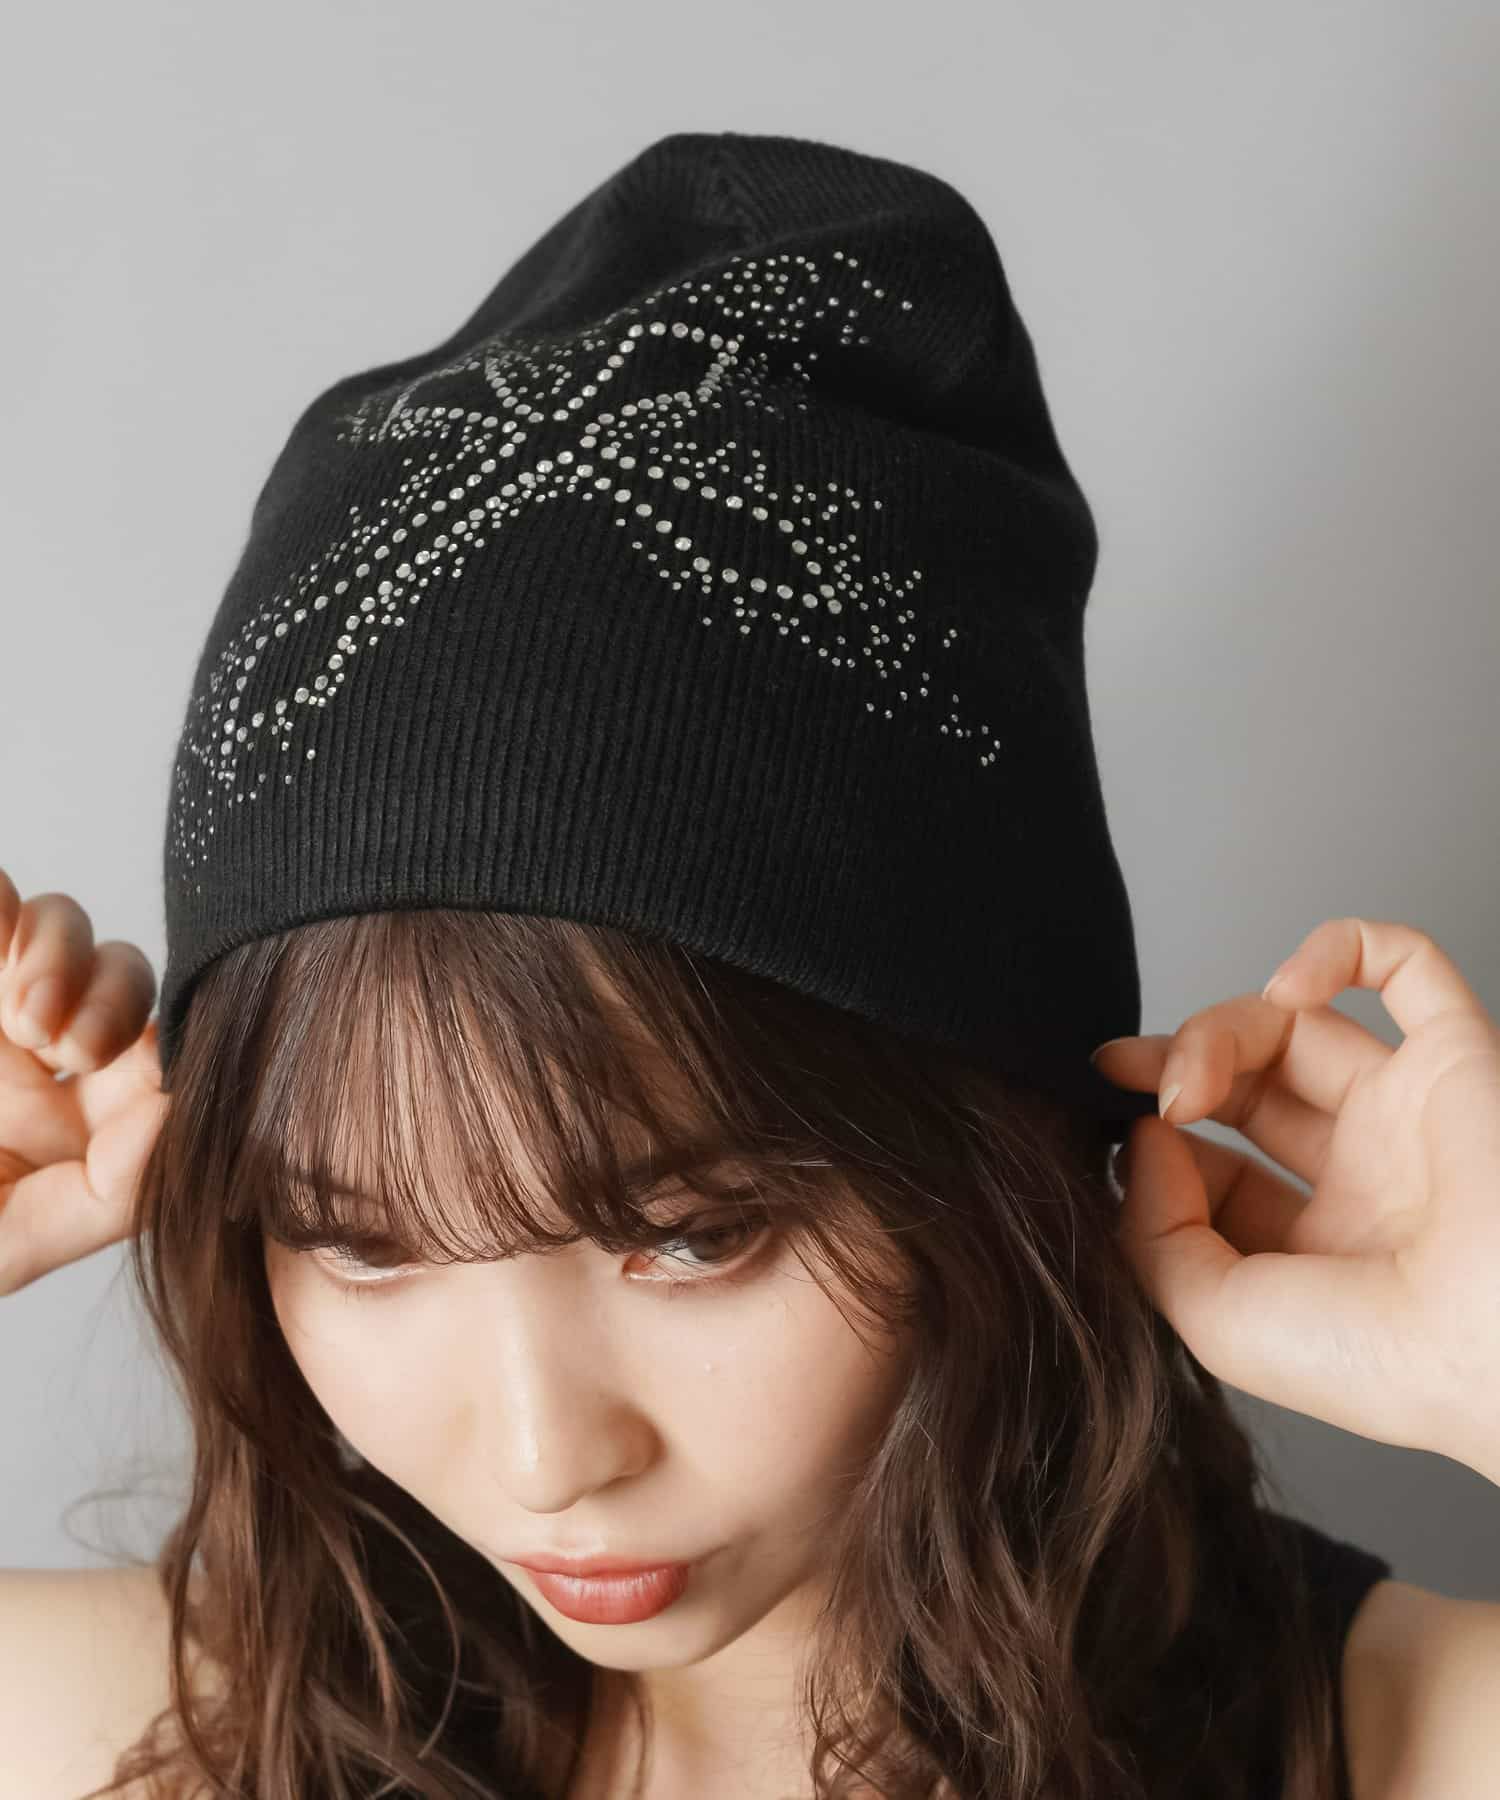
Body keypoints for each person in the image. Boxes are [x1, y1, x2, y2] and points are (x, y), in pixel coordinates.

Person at [2, 130, 1497, 1800]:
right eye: (359, 1245)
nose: (545, 1457)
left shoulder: (1403, 1748)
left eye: (694, 1235)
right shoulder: (183, 1741)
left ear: (990, 1137)